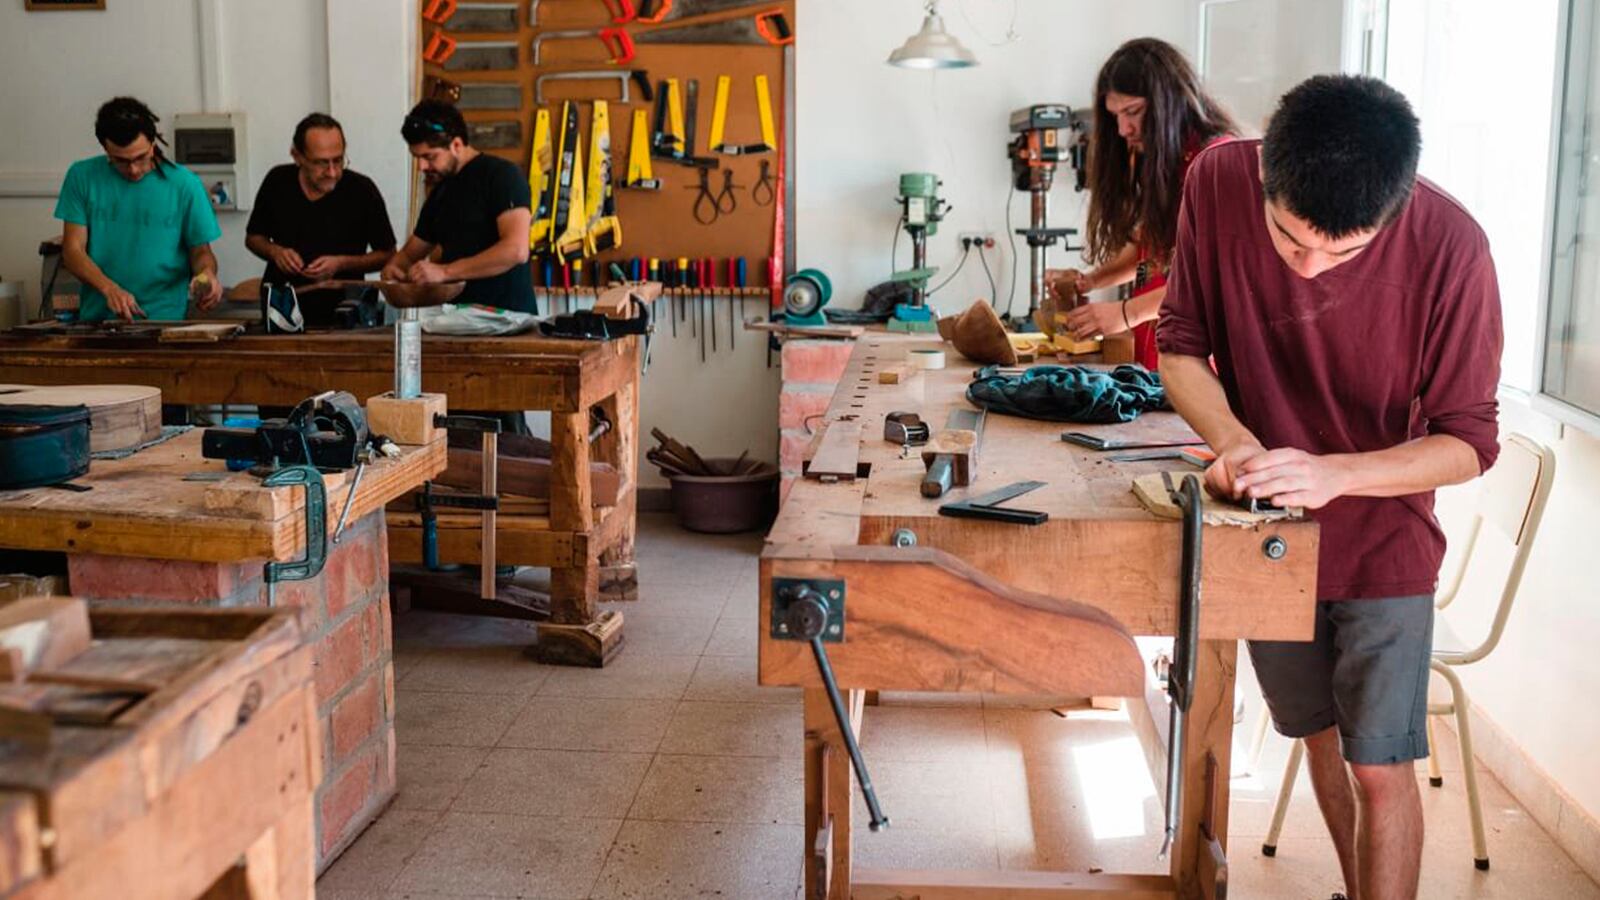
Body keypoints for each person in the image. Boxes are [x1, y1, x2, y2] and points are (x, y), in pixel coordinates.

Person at [1159, 75, 1502, 900]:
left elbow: (1468, 444)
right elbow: (1181, 348)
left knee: (1379, 767)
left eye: (1344, 253)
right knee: (1315, 736)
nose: (1311, 269)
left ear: (1397, 205)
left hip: (1385, 541)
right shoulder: (1216, 180)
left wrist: (1334, 476)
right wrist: (1237, 445)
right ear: (1266, 182)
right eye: (1288, 239)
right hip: (1269, 533)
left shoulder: (1455, 248)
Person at [1048, 38, 1238, 369]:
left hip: (1200, 364)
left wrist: (1125, 313)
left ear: (1170, 100)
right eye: (1115, 116)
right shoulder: (1170, 163)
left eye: (1132, 111)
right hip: (1162, 353)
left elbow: (1213, 280)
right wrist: (1091, 281)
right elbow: (1148, 250)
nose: (1123, 129)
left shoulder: (1215, 163)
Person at [56, 97, 223, 322]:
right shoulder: (82, 177)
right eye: (121, 161)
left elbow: (201, 251)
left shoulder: (184, 184)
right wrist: (109, 289)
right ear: (105, 149)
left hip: (164, 321)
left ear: (153, 143)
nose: (133, 170)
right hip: (98, 320)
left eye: (141, 158)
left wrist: (207, 275)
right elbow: (73, 250)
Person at [245, 113, 397, 328]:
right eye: (321, 163)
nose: (333, 172)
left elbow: (388, 254)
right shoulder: (277, 182)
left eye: (338, 160)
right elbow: (253, 238)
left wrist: (341, 263)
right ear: (297, 156)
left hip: (347, 313)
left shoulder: (362, 190)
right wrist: (276, 252)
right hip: (284, 309)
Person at [382, 99, 533, 312]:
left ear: (456, 144)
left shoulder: (502, 176)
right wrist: (393, 269)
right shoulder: (440, 192)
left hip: (506, 322)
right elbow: (409, 254)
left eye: (429, 156)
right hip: (457, 322)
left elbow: (515, 250)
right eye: (417, 158)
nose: (421, 167)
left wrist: (445, 272)